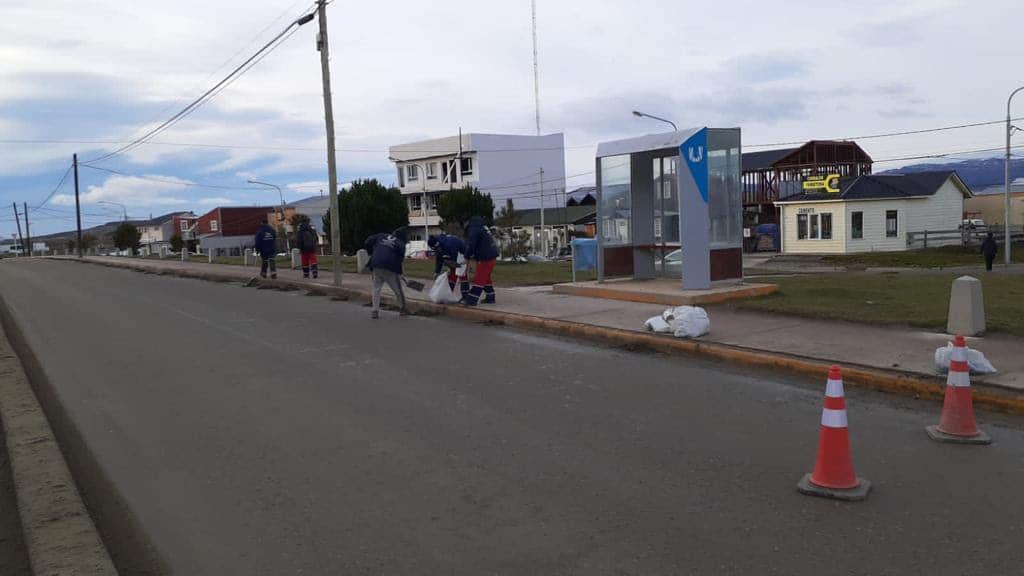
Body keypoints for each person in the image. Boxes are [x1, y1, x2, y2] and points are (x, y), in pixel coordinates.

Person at [365, 230, 407, 319]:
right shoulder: (401, 244)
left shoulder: (380, 235)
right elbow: (399, 261)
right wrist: (400, 273)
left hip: (375, 264)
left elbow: (368, 241)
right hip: (390, 267)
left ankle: (375, 311)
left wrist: (371, 253)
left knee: (376, 289)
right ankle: (402, 308)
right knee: (397, 290)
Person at [462, 216, 499, 305]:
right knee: (486, 278)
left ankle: (472, 299)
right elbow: (481, 243)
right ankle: (490, 297)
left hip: (486, 257)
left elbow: (471, 244)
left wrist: (466, 256)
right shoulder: (481, 227)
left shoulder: (474, 229)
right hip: (491, 255)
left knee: (479, 278)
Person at [428, 233, 468, 298]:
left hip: (461, 254)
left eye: (436, 248)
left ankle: (465, 296)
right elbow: (439, 259)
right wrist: (437, 271)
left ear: (437, 245)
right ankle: (448, 294)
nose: (436, 250)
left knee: (462, 275)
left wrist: (452, 267)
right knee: (452, 276)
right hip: (453, 255)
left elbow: (454, 256)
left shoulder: (448, 244)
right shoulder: (439, 245)